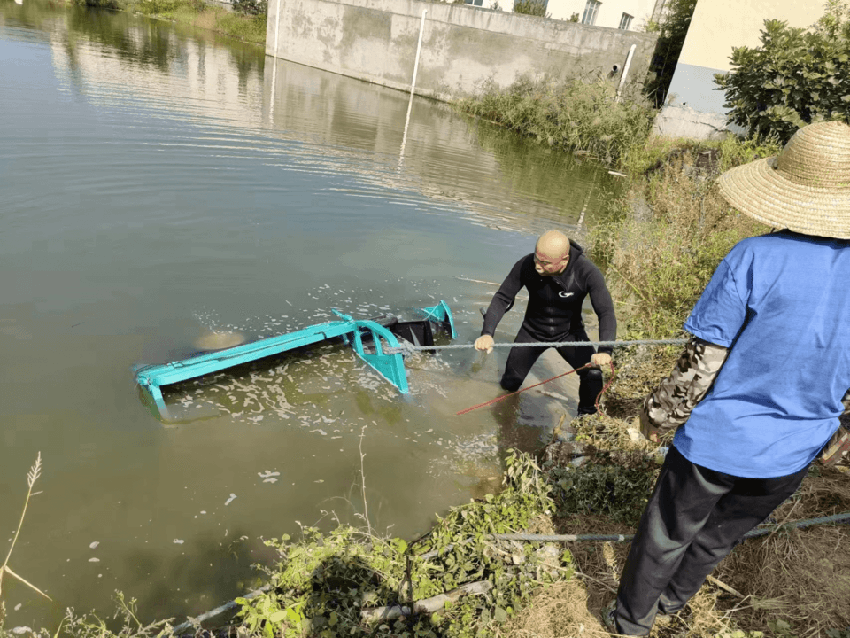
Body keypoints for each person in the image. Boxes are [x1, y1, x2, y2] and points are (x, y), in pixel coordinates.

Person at [611, 120, 850, 635]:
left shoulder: (755, 256)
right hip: (794, 451)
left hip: (718, 442)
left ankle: (632, 622)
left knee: (666, 534)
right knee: (718, 538)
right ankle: (673, 604)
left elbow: (701, 364)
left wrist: (658, 416)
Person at [474, 229, 616, 416]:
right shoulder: (526, 264)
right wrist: (487, 333)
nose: (537, 265)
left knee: (593, 374)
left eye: (545, 263)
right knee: (510, 382)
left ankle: (586, 419)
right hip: (532, 332)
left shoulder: (587, 272)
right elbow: (502, 298)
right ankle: (506, 419)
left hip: (569, 334)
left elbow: (605, 312)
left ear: (564, 260)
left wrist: (605, 350)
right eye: (536, 258)